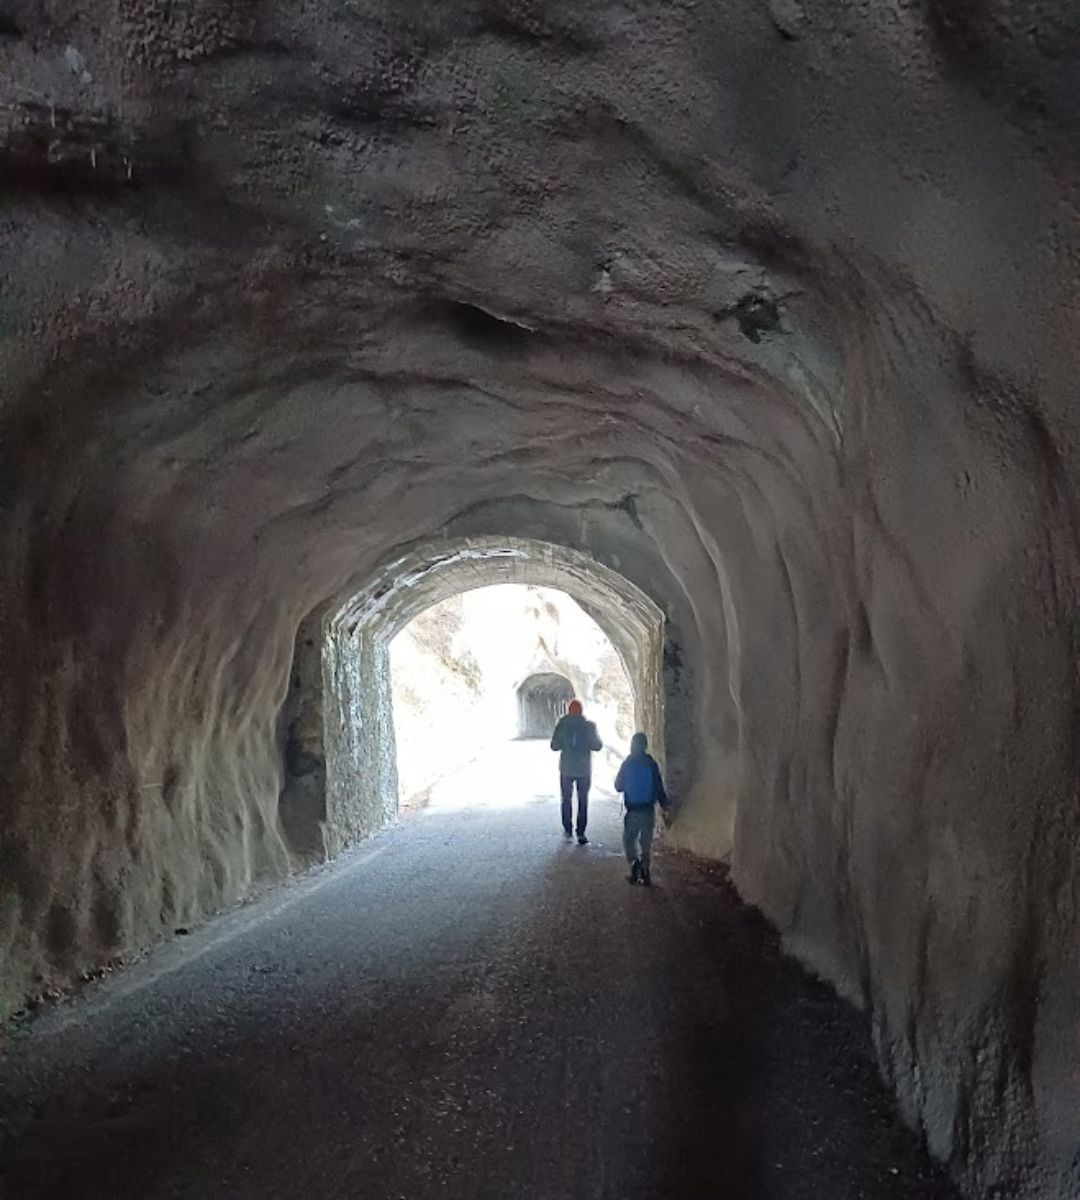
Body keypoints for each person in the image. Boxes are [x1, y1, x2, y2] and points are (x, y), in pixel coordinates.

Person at [614, 732, 669, 886]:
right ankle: (645, 870)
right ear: (645, 745)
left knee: (629, 840)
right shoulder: (651, 763)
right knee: (646, 843)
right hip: (647, 810)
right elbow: (658, 788)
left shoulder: (627, 763)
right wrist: (665, 805)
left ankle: (633, 862)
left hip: (632, 811)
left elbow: (618, 786)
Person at [549, 699, 602, 844]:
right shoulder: (589, 726)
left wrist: (565, 743)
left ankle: (567, 828)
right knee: (583, 800)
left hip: (566, 768)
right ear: (581, 711)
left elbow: (554, 746)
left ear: (568, 711)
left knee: (566, 799)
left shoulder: (562, 725)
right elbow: (597, 746)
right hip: (583, 769)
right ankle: (581, 832)